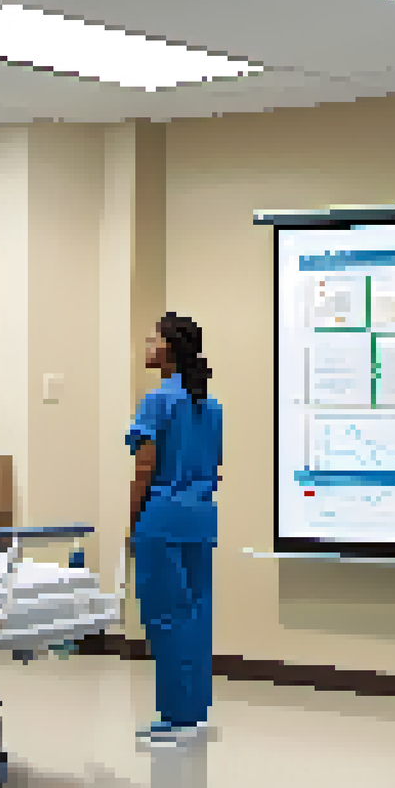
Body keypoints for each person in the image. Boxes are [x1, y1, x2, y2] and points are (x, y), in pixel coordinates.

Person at [126, 312, 224, 742]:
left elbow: (144, 468)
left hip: (162, 521)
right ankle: (195, 711)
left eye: (152, 339)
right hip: (200, 520)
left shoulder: (158, 400)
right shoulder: (211, 405)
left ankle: (173, 719)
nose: (146, 346)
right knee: (197, 616)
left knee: (166, 620)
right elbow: (214, 469)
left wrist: (130, 523)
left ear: (169, 348)